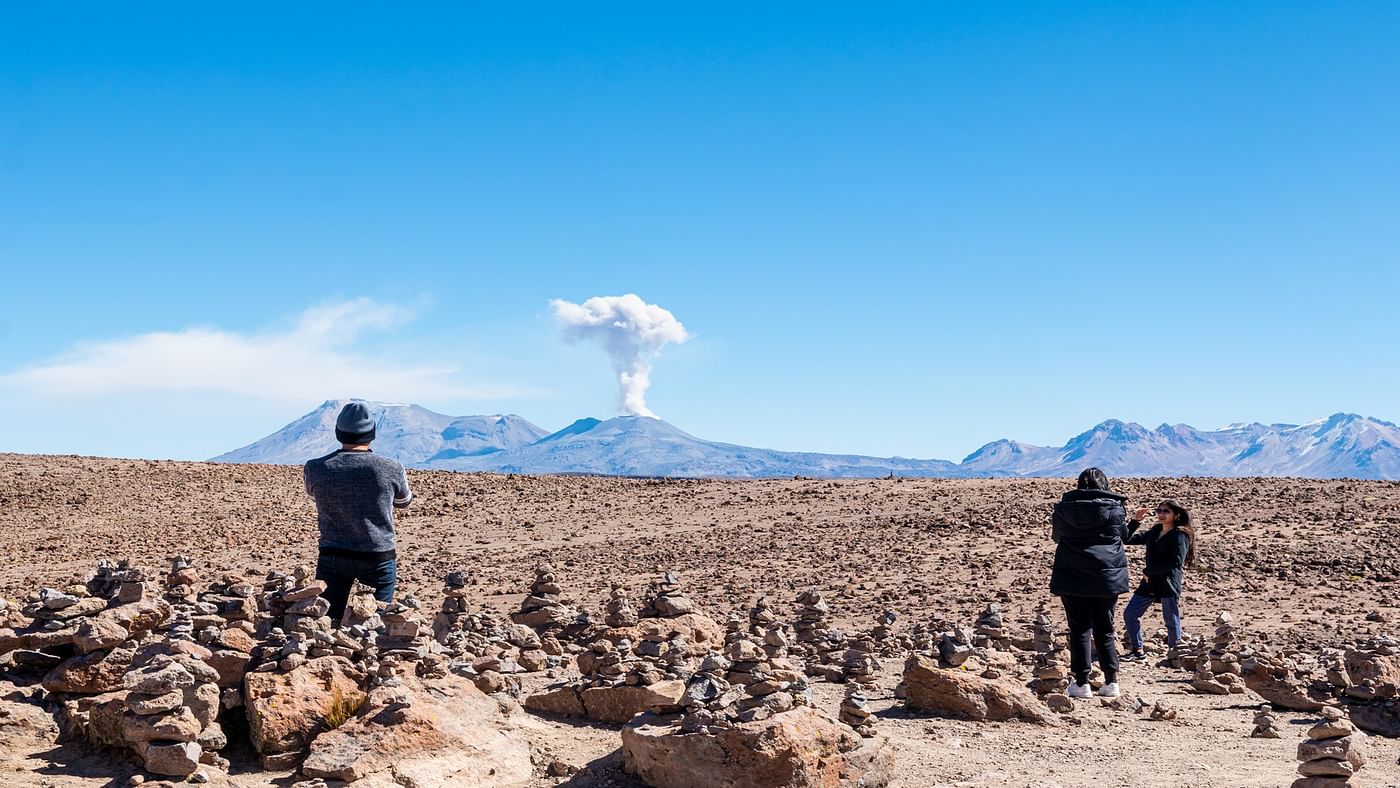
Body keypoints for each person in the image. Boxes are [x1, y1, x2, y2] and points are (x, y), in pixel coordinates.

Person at [303, 402, 413, 621]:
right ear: (371, 433)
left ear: (338, 432)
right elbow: (403, 501)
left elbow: (314, 495)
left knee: (327, 621)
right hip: (377, 555)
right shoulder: (391, 467)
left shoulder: (315, 467)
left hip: (333, 554)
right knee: (376, 622)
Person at [1051, 467, 1129, 699]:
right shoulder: (1115, 508)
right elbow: (1122, 536)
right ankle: (1111, 681)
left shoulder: (1064, 509)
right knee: (1105, 628)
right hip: (1106, 576)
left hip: (1073, 574)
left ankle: (1081, 682)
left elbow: (1057, 537)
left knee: (1079, 630)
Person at [1121, 499, 1196, 661]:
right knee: (1130, 614)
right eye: (1159, 510)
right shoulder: (1155, 531)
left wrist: (1149, 571)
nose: (1161, 514)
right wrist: (1135, 521)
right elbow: (1125, 539)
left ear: (1176, 515)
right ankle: (1138, 650)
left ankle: (1176, 656)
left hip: (1168, 582)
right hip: (1150, 582)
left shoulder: (1180, 534)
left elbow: (1175, 561)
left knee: (1171, 619)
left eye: (1166, 511)